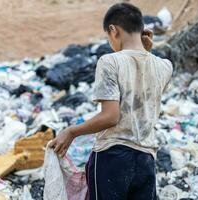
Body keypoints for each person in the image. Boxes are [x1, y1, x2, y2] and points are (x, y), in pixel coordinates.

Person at [49, 2, 173, 200]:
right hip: (146, 159)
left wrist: (71, 132)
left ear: (113, 30)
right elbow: (141, 83)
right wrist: (146, 51)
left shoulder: (110, 62)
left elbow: (110, 117)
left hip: (112, 157)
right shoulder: (165, 67)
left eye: (108, 37)